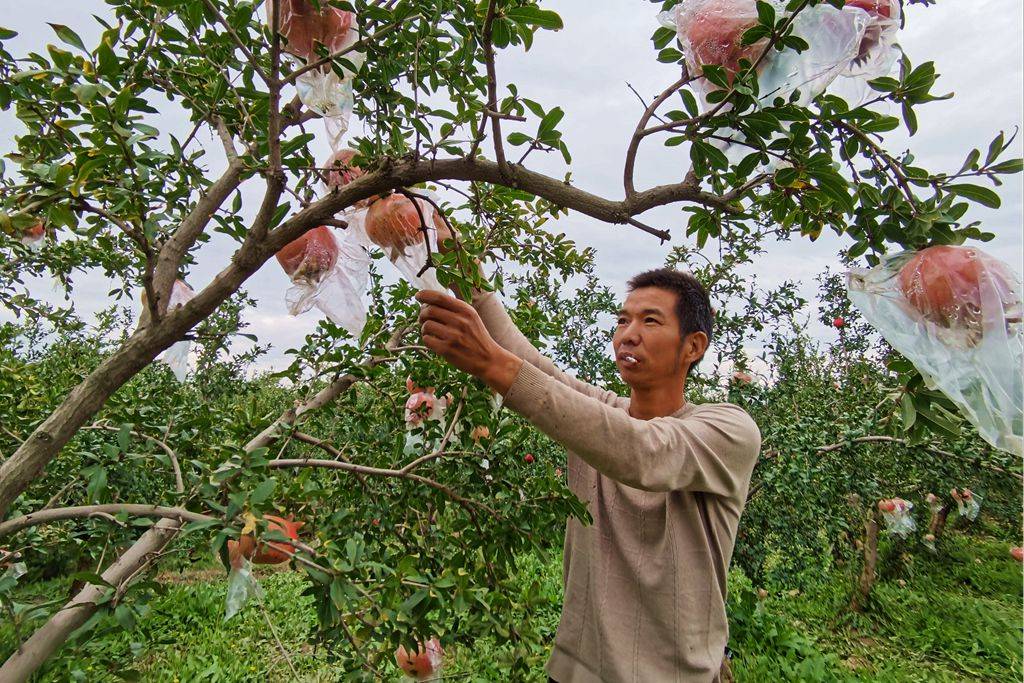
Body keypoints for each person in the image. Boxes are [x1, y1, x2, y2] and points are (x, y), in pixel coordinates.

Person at [416, 267, 761, 683]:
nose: (627, 334)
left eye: (650, 321)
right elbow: (527, 360)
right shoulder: (600, 414)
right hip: (575, 672)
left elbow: (643, 453)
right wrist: (459, 258)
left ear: (693, 346)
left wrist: (494, 365)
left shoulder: (728, 431)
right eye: (622, 321)